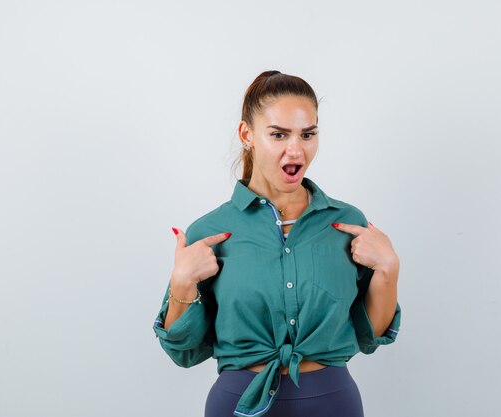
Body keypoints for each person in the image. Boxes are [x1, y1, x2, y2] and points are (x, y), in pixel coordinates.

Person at [153, 70, 402, 417]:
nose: (296, 149)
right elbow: (183, 350)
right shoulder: (209, 232)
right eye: (279, 134)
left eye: (308, 134)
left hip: (332, 403)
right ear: (247, 135)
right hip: (237, 403)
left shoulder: (348, 224)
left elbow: (370, 335)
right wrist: (182, 281)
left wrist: (389, 270)